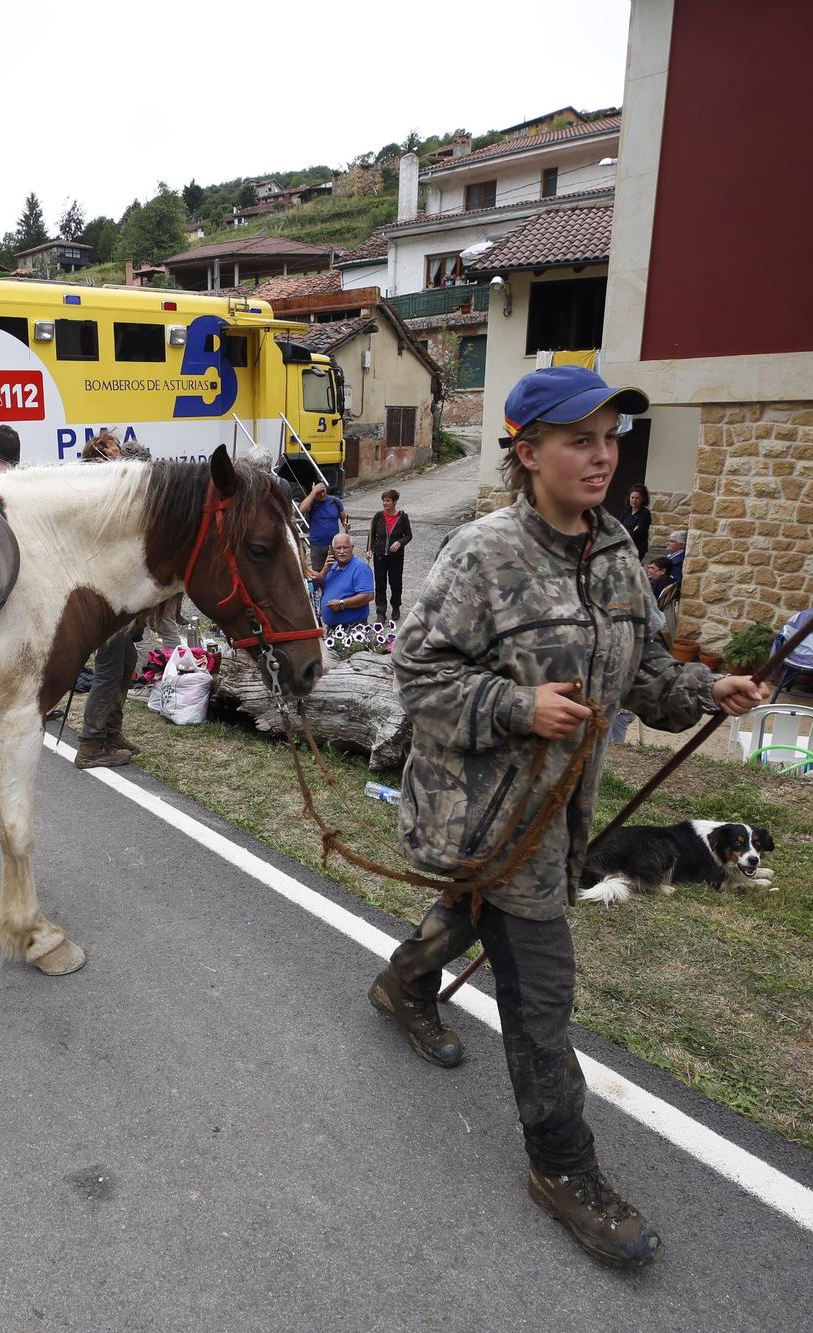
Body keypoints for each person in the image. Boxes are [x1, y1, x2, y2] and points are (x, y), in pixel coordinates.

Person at [373, 365, 768, 1270]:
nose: (602, 456)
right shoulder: (482, 554)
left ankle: (402, 985)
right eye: (579, 439)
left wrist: (709, 690)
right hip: (489, 812)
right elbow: (419, 675)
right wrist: (519, 707)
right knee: (541, 991)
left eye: (609, 438)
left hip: (562, 817)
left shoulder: (619, 551)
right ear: (527, 451)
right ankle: (563, 1167)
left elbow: (645, 673)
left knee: (486, 916)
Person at [72, 431, 145, 770]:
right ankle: (90, 743)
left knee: (127, 660)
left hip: (120, 589)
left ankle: (111, 731)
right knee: (109, 665)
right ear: (102, 452)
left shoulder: (111, 487)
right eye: (115, 447)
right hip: (107, 591)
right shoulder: (102, 490)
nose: (122, 452)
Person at [367, 489, 413, 622]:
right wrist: (369, 549)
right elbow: (372, 534)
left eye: (388, 501)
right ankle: (380, 612)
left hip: (396, 556)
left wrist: (400, 542)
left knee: (395, 583)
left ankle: (396, 606)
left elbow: (409, 535)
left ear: (395, 502)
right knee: (380, 584)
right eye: (383, 500)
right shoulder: (378, 516)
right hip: (380, 554)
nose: (384, 503)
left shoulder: (403, 517)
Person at [312, 533, 375, 628]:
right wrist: (324, 570)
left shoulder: (360, 568)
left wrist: (342, 604)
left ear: (352, 548)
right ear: (332, 550)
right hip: (333, 629)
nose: (342, 551)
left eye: (345, 547)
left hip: (352, 628)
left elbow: (368, 596)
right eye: (338, 548)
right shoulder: (332, 566)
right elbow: (315, 588)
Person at [298, 478, 346, 574]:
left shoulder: (335, 501)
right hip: (317, 545)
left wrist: (347, 525)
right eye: (319, 492)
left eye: (323, 491)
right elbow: (302, 509)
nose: (322, 494)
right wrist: (312, 493)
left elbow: (344, 519)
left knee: (336, 572)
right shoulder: (312, 503)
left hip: (334, 545)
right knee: (318, 573)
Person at [617, 485, 651, 555]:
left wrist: (624, 532)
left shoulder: (645, 513)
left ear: (643, 499)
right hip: (624, 547)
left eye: (637, 498)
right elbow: (617, 528)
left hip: (637, 548)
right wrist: (630, 531)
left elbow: (637, 533)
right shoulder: (626, 512)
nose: (634, 501)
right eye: (632, 497)